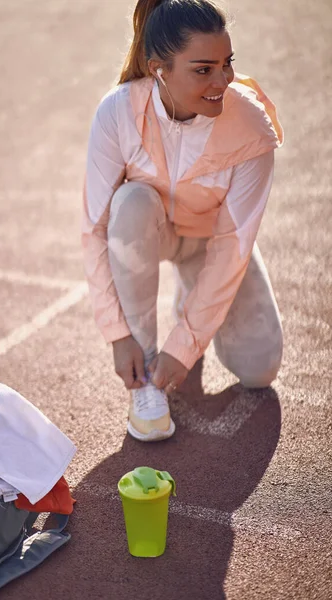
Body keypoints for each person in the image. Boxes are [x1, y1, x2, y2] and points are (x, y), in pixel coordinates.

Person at [82, 0, 284, 442]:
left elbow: (233, 243)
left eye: (227, 64)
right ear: (159, 70)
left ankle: (190, 297)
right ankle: (145, 381)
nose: (222, 81)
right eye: (203, 69)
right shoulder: (117, 113)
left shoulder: (252, 126)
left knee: (260, 369)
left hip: (212, 241)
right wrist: (120, 336)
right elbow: (94, 228)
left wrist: (186, 344)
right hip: (149, 231)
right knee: (131, 202)